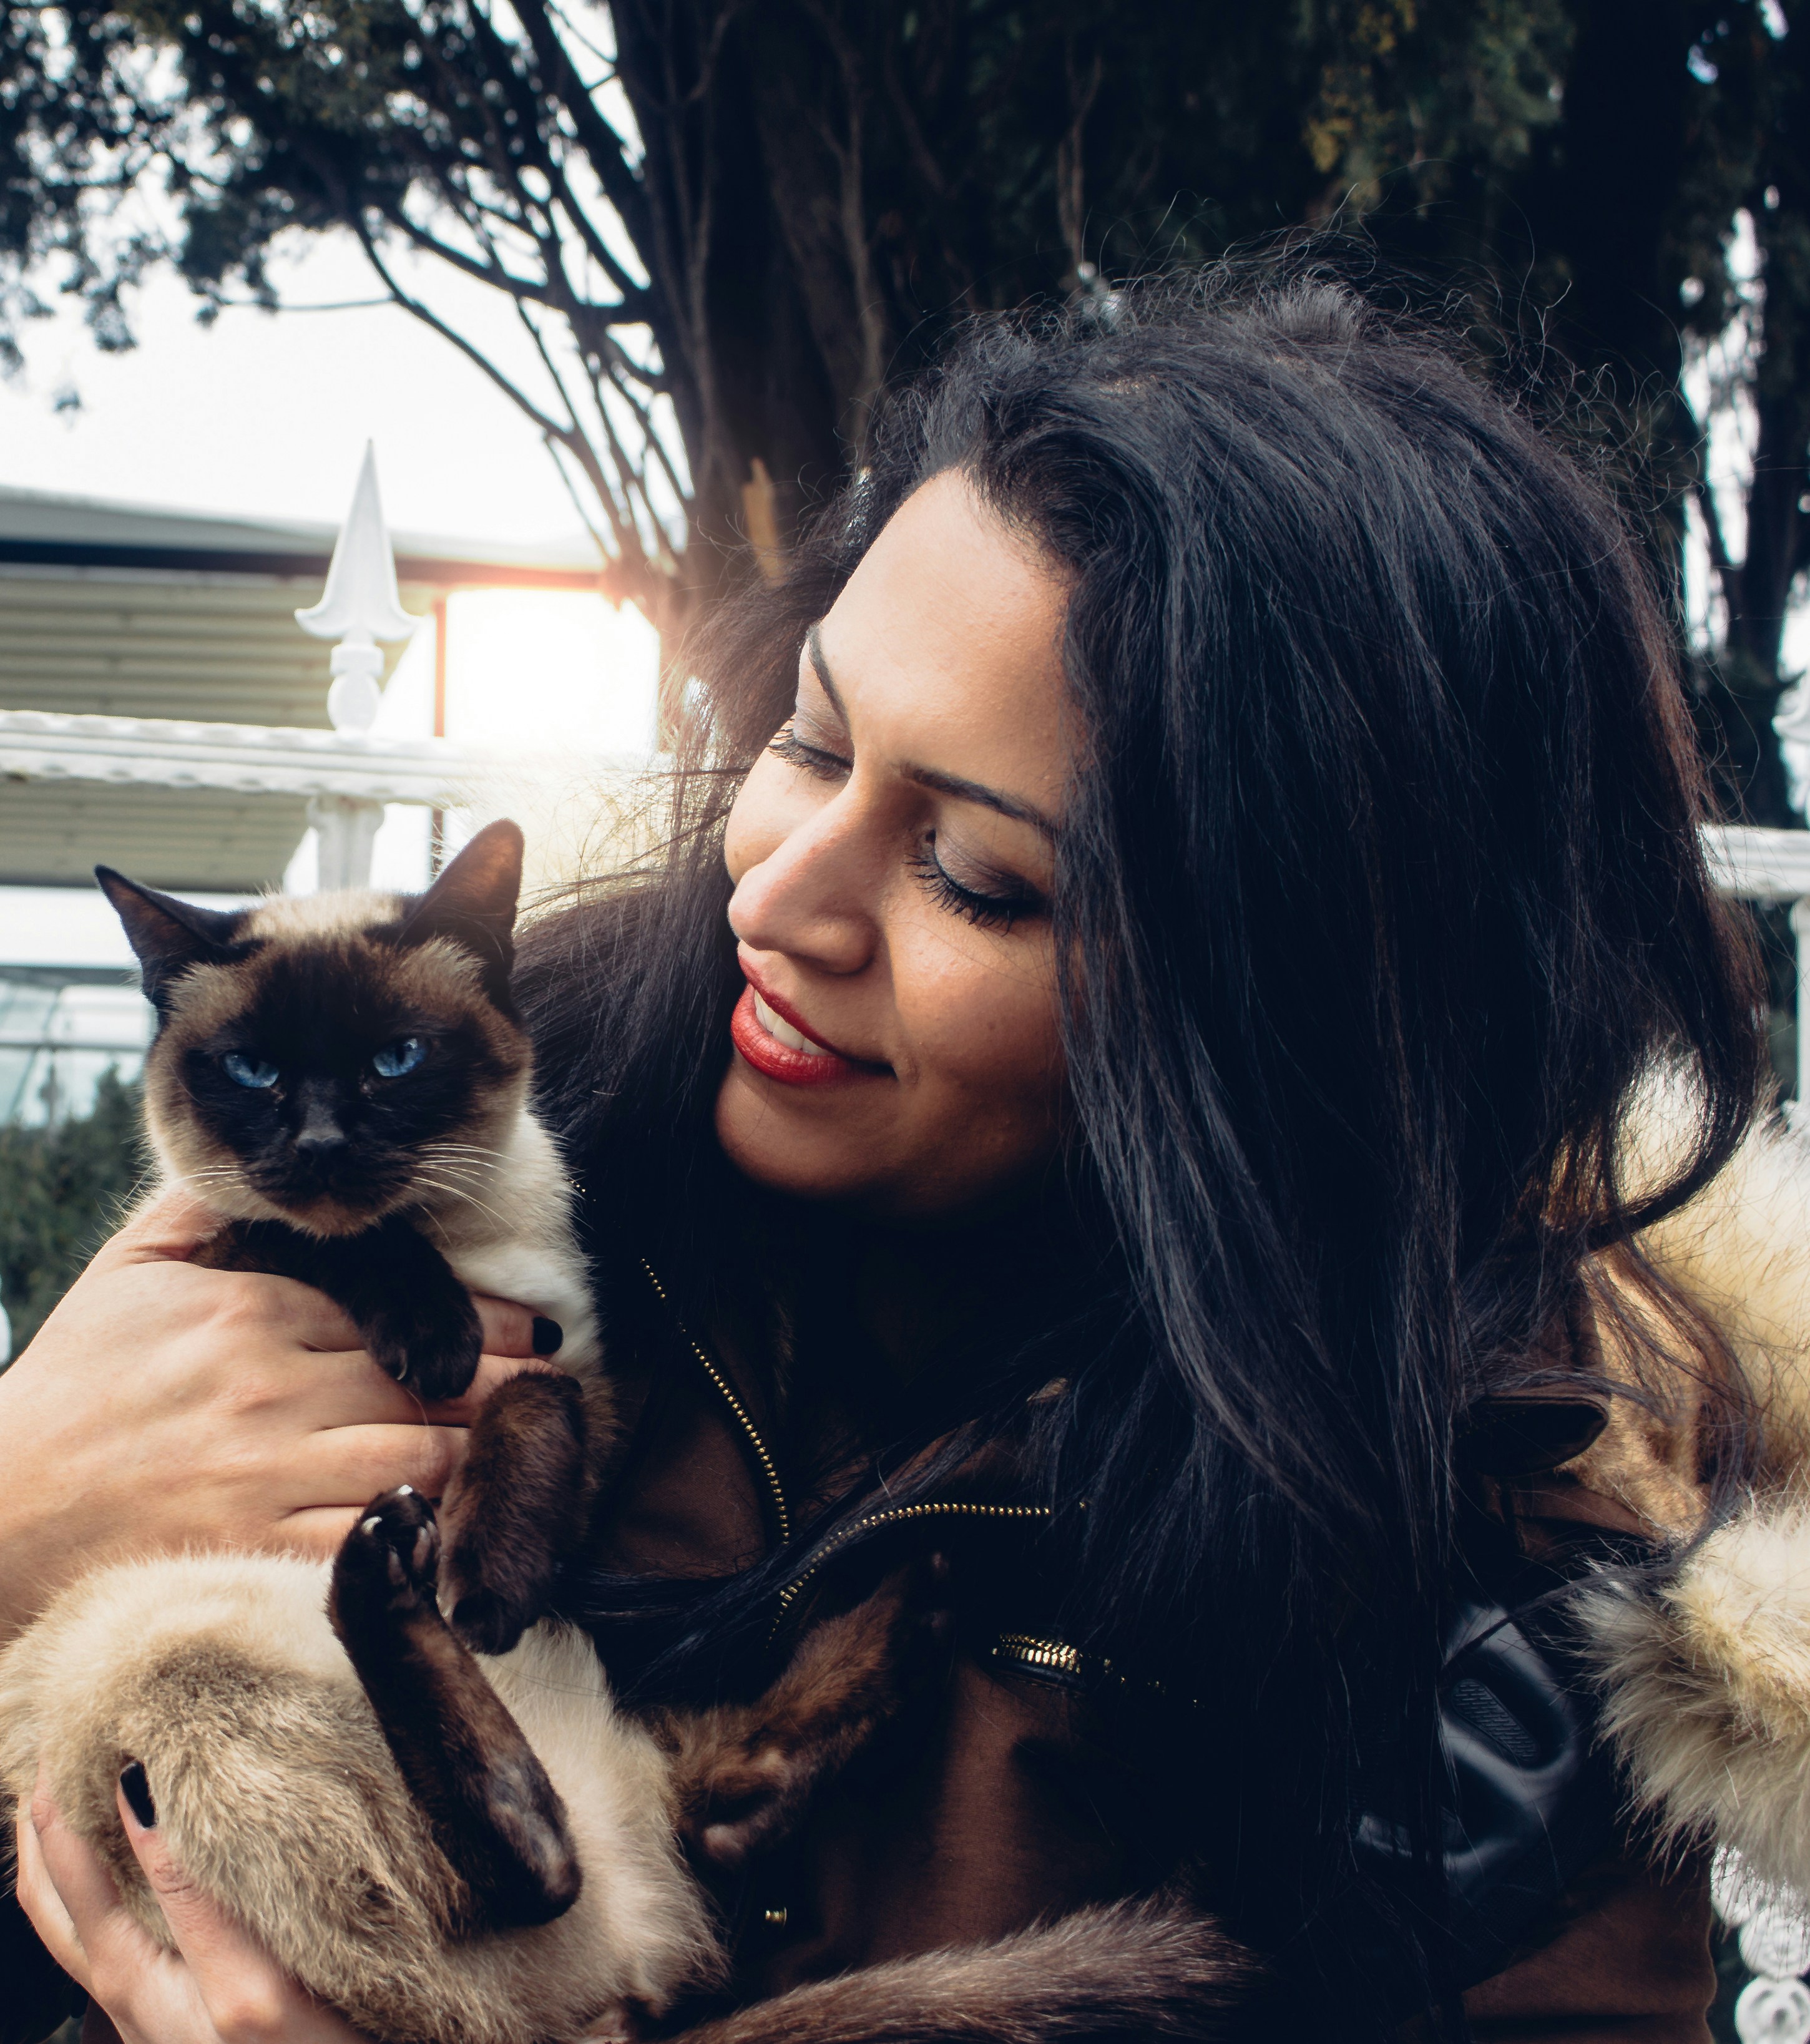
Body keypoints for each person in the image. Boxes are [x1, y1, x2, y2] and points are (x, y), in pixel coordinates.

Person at [2, 272, 1778, 2043]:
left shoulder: (1512, 1622)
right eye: (811, 738)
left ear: (1279, 1011)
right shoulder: (500, 1139)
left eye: (977, 877)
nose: (776, 896)